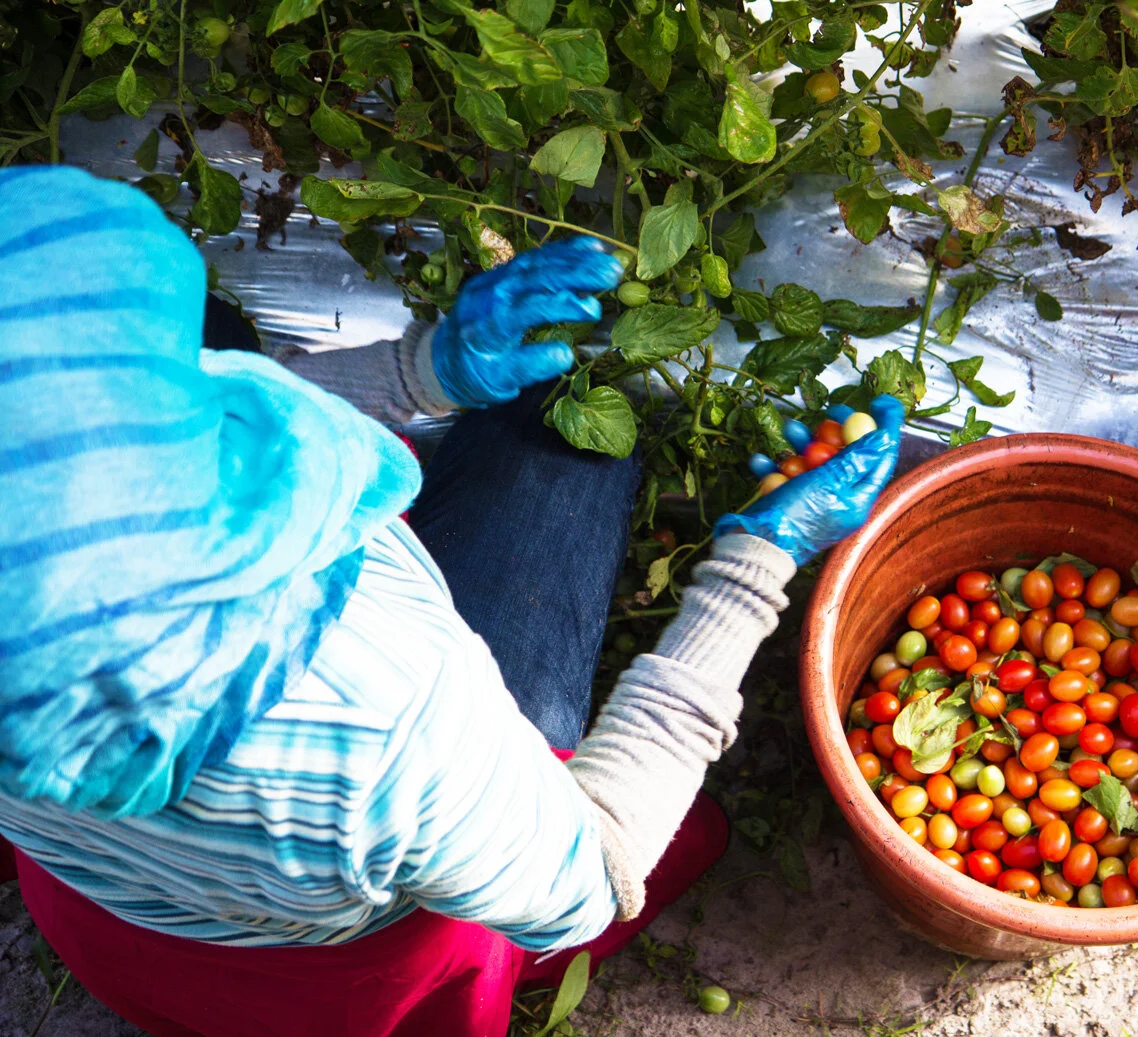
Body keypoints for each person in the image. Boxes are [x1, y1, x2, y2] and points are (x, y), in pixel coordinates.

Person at [0, 165, 903, 1036]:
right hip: (338, 950)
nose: (225, 388)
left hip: (110, 902)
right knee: (567, 438)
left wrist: (421, 372)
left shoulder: (53, 629)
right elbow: (591, 873)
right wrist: (757, 558)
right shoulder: (377, 729)